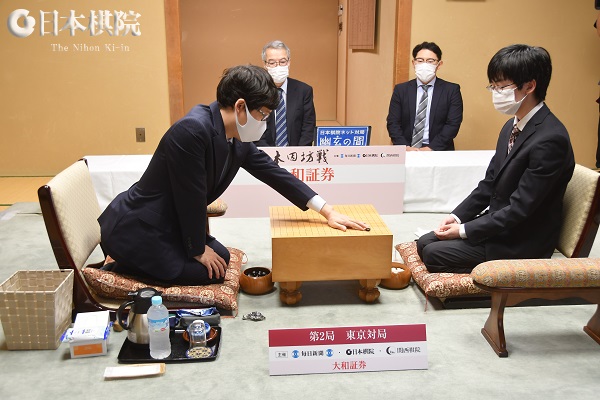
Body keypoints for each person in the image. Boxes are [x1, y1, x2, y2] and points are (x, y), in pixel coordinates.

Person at [98, 65, 368, 285]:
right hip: (141, 226)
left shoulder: (236, 137)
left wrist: (327, 211)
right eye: (263, 115)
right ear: (240, 106)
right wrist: (197, 250)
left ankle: (154, 260)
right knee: (208, 273)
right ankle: (124, 264)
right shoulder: (192, 130)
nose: (264, 123)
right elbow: (190, 196)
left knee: (222, 259)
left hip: (173, 223)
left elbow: (274, 173)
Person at [416, 44, 574, 273]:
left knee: (433, 253)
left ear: (530, 86)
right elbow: (489, 183)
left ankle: (500, 277)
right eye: (493, 86)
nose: (496, 93)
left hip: (522, 240)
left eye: (502, 87)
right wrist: (457, 218)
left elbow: (521, 208)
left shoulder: (550, 139)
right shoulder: (511, 126)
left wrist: (464, 231)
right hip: (500, 226)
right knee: (425, 243)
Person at [386, 41, 463, 151]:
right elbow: (393, 122)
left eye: (430, 61)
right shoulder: (401, 90)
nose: (425, 65)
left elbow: (453, 124)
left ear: (439, 64)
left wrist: (431, 148)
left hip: (439, 151)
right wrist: (405, 147)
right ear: (413, 63)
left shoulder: (451, 90)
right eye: (420, 60)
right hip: (407, 149)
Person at [254, 40, 316, 147]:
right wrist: (269, 155)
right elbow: (255, 128)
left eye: (282, 62)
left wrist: (297, 154)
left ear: (289, 62)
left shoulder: (304, 90)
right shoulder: (256, 92)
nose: (278, 66)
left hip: (297, 153)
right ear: (265, 65)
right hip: (265, 153)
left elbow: (308, 127)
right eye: (272, 63)